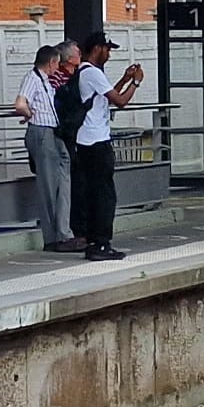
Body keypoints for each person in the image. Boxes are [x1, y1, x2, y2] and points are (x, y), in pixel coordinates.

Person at [70, 31, 143, 261]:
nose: (109, 54)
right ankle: (102, 243)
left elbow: (106, 96)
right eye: (107, 49)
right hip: (96, 142)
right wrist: (137, 82)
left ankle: (93, 240)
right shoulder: (92, 72)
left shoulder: (84, 72)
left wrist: (123, 79)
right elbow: (120, 101)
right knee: (104, 195)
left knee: (92, 192)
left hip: (85, 141)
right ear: (98, 48)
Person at [15, 44, 80, 253]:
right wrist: (28, 114)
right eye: (56, 63)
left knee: (63, 177)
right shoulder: (32, 78)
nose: (57, 68)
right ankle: (54, 237)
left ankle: (63, 231)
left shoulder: (44, 81)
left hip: (53, 131)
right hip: (42, 131)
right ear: (51, 62)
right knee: (49, 186)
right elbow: (20, 103)